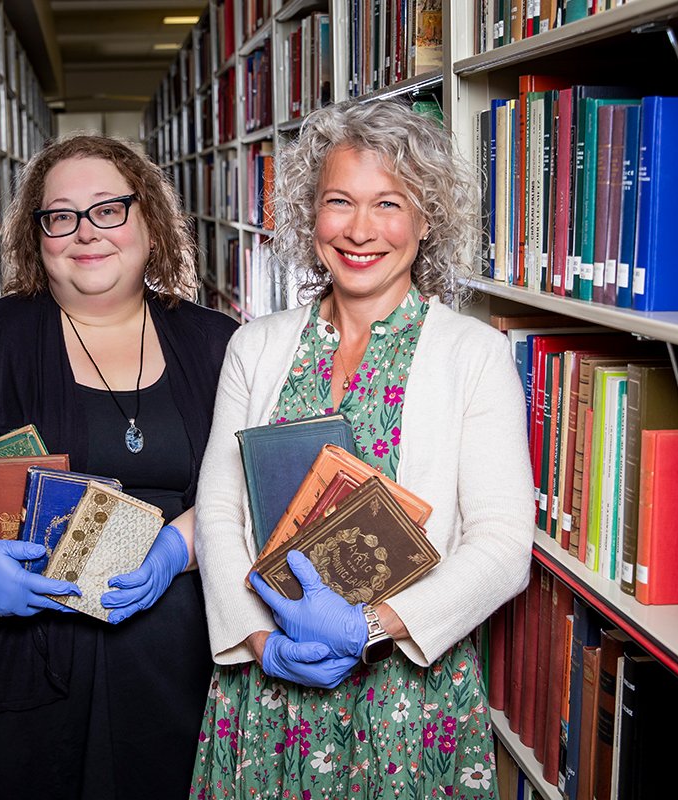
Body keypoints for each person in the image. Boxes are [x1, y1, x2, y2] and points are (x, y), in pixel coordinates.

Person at [0, 134, 239, 799]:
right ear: (36, 238)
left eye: (108, 210)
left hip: (179, 674)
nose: (85, 232)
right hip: (14, 678)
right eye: (60, 216)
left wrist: (177, 549)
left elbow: (244, 486)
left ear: (151, 221)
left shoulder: (218, 343)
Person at [191, 99, 535, 799]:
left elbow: (504, 545)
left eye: (388, 204)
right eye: (338, 201)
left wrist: (367, 627)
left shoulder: (474, 354)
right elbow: (219, 513)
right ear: (310, 214)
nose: (359, 229)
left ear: (427, 219)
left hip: (410, 705)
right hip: (269, 695)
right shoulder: (253, 347)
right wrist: (263, 644)